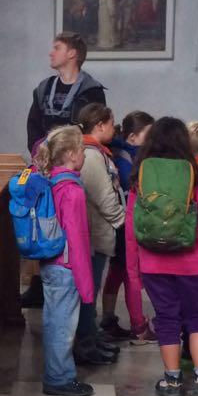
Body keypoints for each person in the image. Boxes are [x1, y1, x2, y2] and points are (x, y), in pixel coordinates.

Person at [124, 118, 198, 396]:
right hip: (192, 263)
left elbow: (131, 228)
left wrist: (134, 269)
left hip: (153, 263)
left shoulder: (140, 177)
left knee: (166, 319)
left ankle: (172, 382)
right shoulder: (197, 177)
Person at [21, 33, 106, 308]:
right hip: (45, 165)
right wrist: (40, 151)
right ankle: (40, 281)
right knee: (43, 221)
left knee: (72, 225)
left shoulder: (91, 91)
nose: (51, 52)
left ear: (72, 54)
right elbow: (33, 123)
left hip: (74, 167)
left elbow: (91, 126)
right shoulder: (44, 88)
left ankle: (76, 280)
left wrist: (70, 155)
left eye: (57, 48)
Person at [34, 125, 95, 396]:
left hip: (50, 263)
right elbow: (78, 241)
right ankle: (59, 379)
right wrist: (86, 284)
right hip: (66, 266)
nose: (84, 154)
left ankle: (57, 373)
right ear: (71, 154)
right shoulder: (72, 191)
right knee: (63, 326)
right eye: (82, 149)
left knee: (54, 321)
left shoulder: (50, 180)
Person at [74, 104, 124, 366]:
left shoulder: (96, 151)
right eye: (111, 123)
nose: (114, 128)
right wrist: (121, 221)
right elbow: (105, 197)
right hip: (94, 235)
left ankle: (91, 337)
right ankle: (85, 343)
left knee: (91, 290)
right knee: (88, 292)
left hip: (97, 233)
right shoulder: (91, 155)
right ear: (100, 125)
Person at [102, 111, 154, 343]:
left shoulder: (120, 153)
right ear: (133, 137)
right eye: (148, 134)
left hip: (118, 224)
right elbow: (132, 191)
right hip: (125, 224)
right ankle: (138, 325)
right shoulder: (127, 160)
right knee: (131, 274)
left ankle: (108, 319)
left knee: (117, 272)